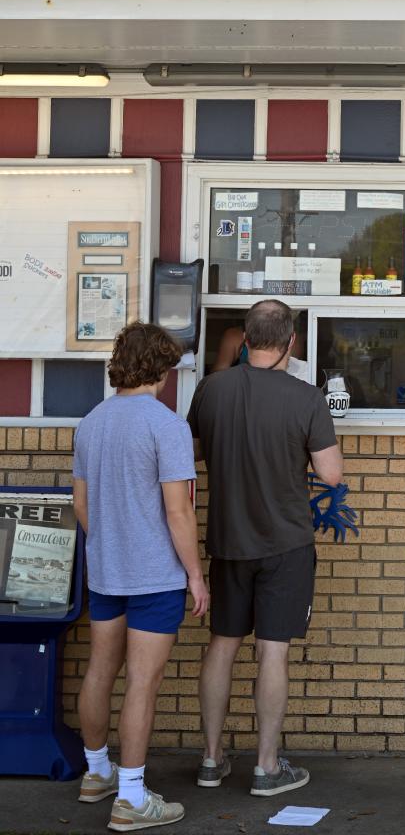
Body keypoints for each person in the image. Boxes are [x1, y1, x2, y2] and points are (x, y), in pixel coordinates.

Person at [187, 299, 343, 798]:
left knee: (223, 645)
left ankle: (211, 760)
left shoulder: (209, 390)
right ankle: (266, 767)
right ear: (291, 342)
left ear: (244, 339)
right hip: (286, 543)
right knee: (273, 652)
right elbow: (331, 475)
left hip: (227, 540)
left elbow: (190, 454)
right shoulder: (305, 397)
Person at [73, 322, 207, 832]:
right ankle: (130, 798)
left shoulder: (91, 423)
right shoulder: (167, 426)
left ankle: (96, 774)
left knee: (99, 673)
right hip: (155, 575)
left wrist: (111, 541)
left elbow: (82, 505)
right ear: (165, 369)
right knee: (142, 686)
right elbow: (179, 513)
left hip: (107, 571)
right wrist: (195, 574)